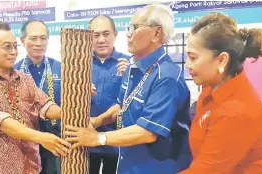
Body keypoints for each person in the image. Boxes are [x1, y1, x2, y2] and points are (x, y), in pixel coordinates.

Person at [64, 4, 192, 174]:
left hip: (155, 167)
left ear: (157, 33)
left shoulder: (166, 76)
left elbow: (148, 132)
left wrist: (97, 138)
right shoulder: (133, 68)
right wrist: (96, 122)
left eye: (135, 27)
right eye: (129, 27)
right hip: (128, 163)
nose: (129, 34)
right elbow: (121, 106)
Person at [0, 21, 71, 174]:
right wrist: (42, 138)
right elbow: (3, 122)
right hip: (0, 168)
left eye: (15, 46)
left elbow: (45, 105)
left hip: (31, 166)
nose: (13, 52)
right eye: (7, 47)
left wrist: (70, 112)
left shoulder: (24, 79)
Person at [179, 12, 262, 174]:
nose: (187, 65)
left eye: (193, 58)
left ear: (222, 60)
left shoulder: (237, 111)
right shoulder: (210, 88)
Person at [14, 20, 62, 174]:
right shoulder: (13, 71)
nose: (39, 43)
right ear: (23, 40)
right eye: (33, 38)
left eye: (43, 38)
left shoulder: (61, 68)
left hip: (54, 137)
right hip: (25, 139)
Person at [87, 15, 130, 174]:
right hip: (87, 142)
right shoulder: (80, 65)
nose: (101, 40)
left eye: (106, 34)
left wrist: (131, 77)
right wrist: (79, 89)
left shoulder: (129, 63)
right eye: (96, 35)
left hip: (117, 143)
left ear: (115, 35)